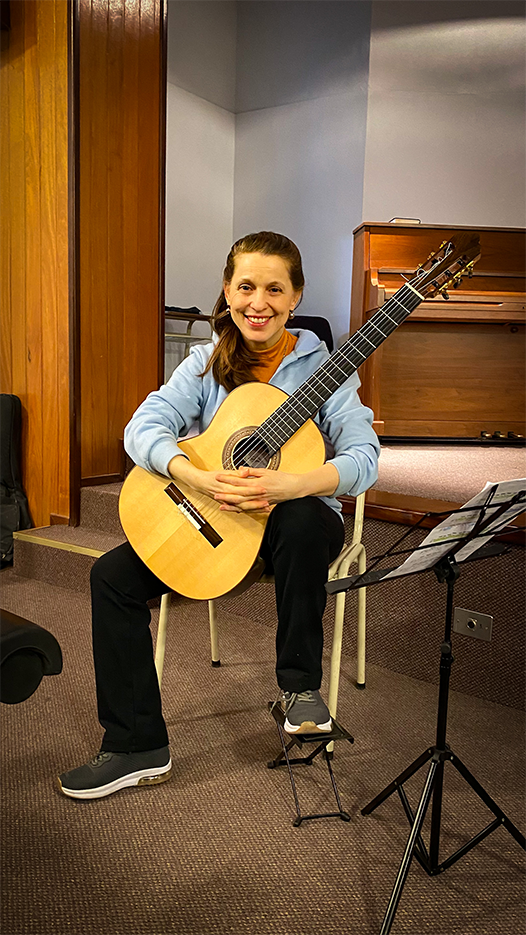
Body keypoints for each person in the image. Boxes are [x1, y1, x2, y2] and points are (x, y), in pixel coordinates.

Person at [58, 231, 380, 800]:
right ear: (228, 292)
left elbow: (364, 458)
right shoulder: (206, 363)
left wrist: (294, 483)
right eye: (246, 286)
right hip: (216, 523)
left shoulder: (328, 371)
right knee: (109, 577)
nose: (259, 302)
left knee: (303, 517)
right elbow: (142, 429)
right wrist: (194, 473)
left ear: (296, 296)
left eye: (274, 289)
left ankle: (299, 687)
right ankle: (137, 746)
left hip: (293, 534)